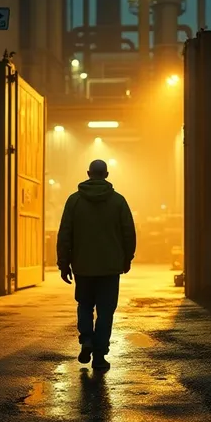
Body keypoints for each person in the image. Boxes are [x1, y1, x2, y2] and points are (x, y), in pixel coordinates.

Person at [56, 159, 136, 371]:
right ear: (106, 174)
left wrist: (64, 264)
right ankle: (99, 356)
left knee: (84, 305)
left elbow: (65, 234)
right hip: (110, 267)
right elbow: (128, 232)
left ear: (88, 173)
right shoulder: (118, 201)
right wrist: (127, 257)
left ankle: (86, 341)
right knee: (106, 311)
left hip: (83, 266)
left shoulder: (74, 201)